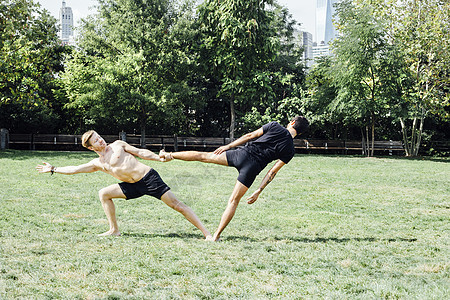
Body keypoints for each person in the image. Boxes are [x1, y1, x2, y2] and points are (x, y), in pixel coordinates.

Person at [36, 130, 211, 239]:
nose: (101, 141)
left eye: (100, 137)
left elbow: (140, 152)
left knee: (177, 205)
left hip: (149, 178)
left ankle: (208, 234)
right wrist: (54, 169)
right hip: (132, 186)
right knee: (104, 193)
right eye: (96, 141)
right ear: (90, 147)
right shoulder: (98, 163)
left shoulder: (118, 145)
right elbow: (75, 169)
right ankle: (114, 230)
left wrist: (158, 158)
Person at [160, 116, 309, 241]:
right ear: (300, 133)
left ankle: (170, 155)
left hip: (241, 154)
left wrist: (228, 146)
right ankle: (216, 236)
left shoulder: (275, 126)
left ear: (293, 123)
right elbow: (271, 172)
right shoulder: (290, 150)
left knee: (203, 156)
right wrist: (258, 190)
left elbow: (249, 136)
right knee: (233, 201)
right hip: (252, 169)